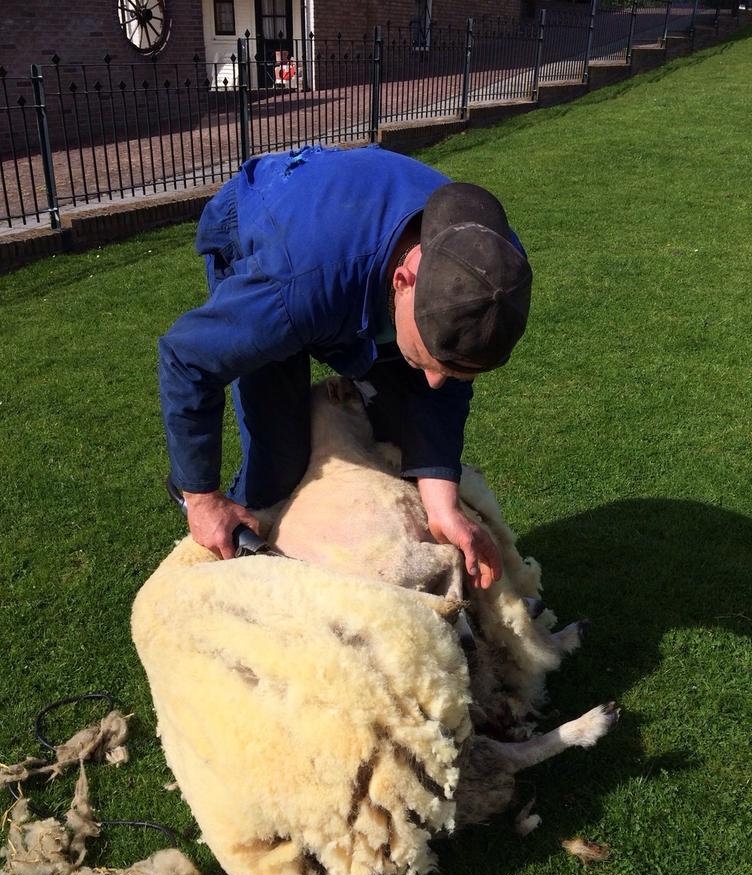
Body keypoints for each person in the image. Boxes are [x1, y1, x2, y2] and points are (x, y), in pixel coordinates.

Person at [159, 144, 532, 589]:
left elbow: (443, 381)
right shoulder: (294, 286)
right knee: (278, 461)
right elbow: (189, 359)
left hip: (355, 258)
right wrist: (201, 498)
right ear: (403, 282)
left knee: (396, 440)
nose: (435, 382)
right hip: (281, 235)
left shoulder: (492, 272)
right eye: (435, 362)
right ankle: (250, 585)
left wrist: (442, 505)